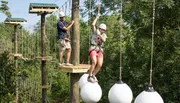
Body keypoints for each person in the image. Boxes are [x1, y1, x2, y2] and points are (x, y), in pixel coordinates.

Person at [88, 14, 107, 83]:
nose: (103, 31)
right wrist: (97, 18)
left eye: (104, 30)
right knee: (94, 62)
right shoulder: (95, 32)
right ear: (100, 28)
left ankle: (93, 74)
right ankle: (89, 76)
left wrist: (100, 35)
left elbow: (104, 40)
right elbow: (93, 25)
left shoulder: (104, 35)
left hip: (99, 50)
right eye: (102, 30)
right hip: (93, 48)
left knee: (100, 64)